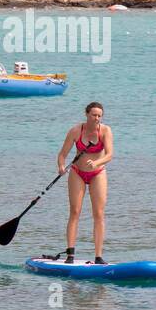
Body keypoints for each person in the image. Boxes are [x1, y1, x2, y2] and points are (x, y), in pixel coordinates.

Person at [57, 102, 114, 265]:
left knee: (99, 214)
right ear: (87, 114)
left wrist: (97, 163)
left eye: (99, 116)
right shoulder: (76, 131)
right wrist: (61, 166)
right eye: (94, 115)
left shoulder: (105, 131)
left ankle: (98, 256)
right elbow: (62, 155)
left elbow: (110, 155)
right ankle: (70, 254)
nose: (97, 118)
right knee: (75, 212)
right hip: (77, 173)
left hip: (98, 173)